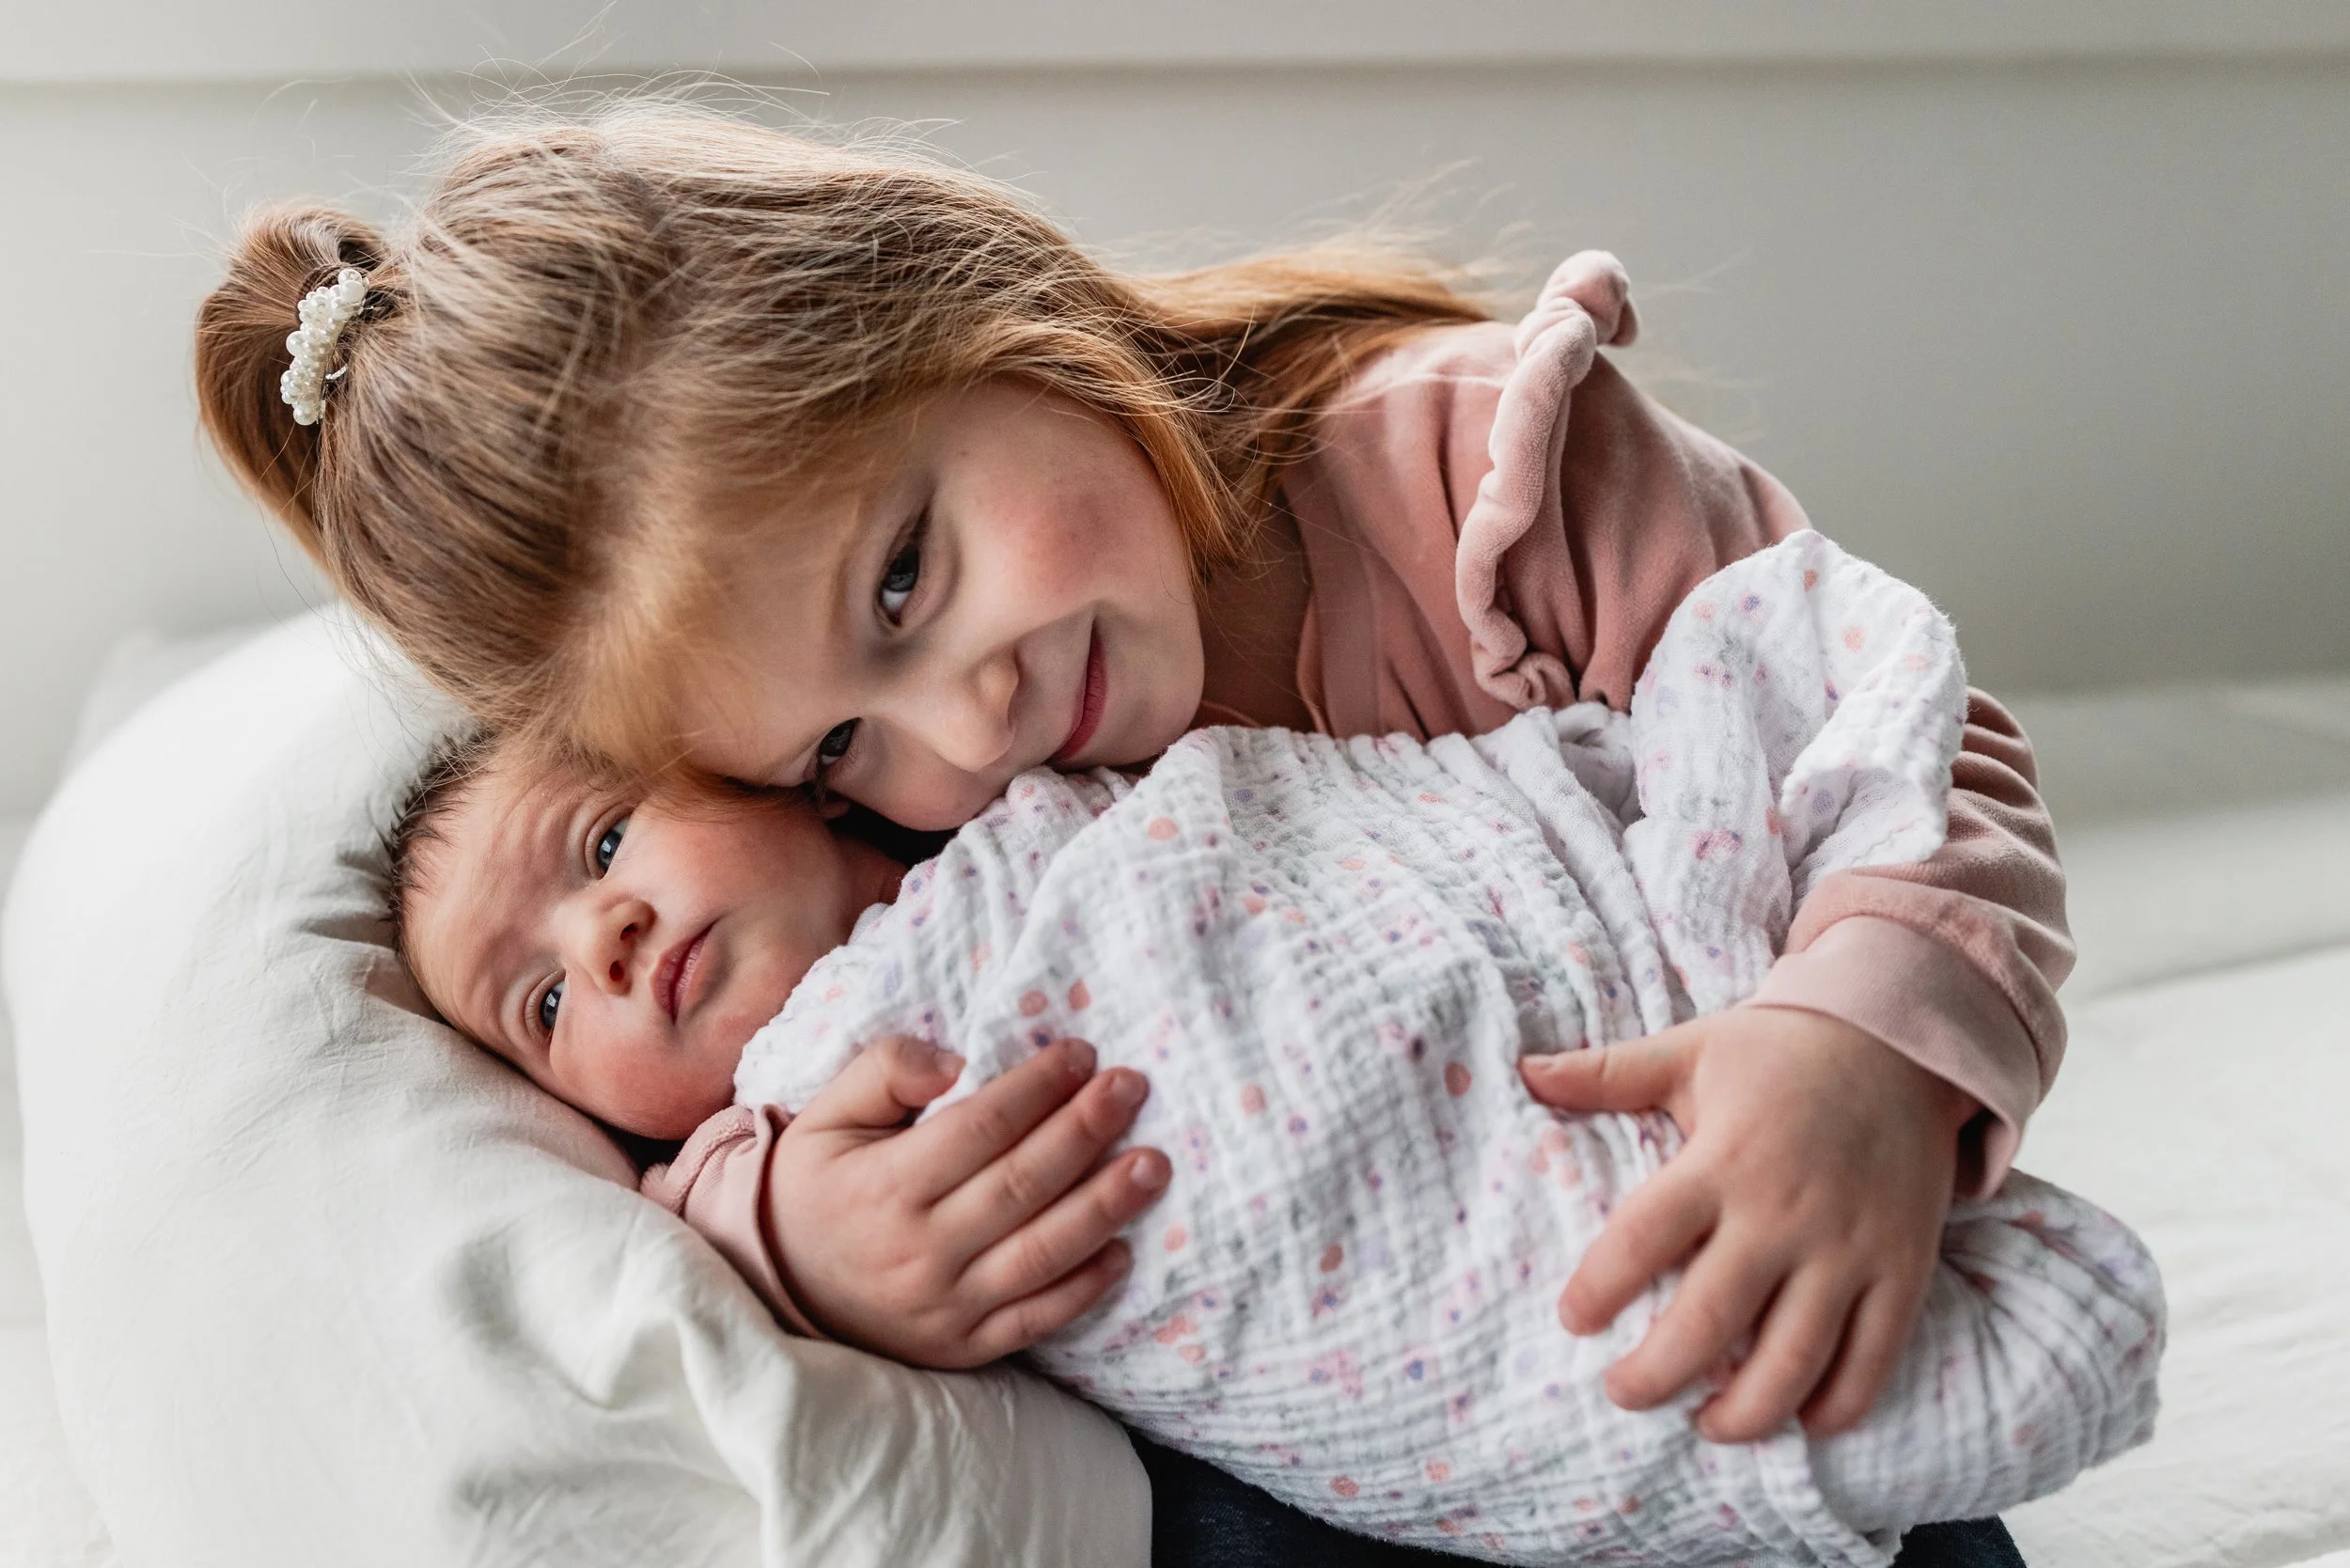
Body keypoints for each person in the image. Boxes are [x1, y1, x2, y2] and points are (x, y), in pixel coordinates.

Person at [195, 100, 2074, 1563]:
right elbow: (795, 1065)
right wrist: (794, 1237)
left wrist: (1854, 1048)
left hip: (1711, 1232)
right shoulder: (939, 842)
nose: (969, 728)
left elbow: (1876, 734)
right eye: (841, 742)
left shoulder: (1476, 480)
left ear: (973, 313)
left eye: (909, 575)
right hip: (1390, 1383)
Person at [392, 533, 2155, 1565]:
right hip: (1392, 1363)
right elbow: (694, 1240)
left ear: (762, 760)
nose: (602, 943)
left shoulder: (1015, 785)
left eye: (606, 844)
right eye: (541, 1006)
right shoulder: (770, 1134)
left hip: (1581, 1048)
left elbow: (1314, 822)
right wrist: (792, 1236)